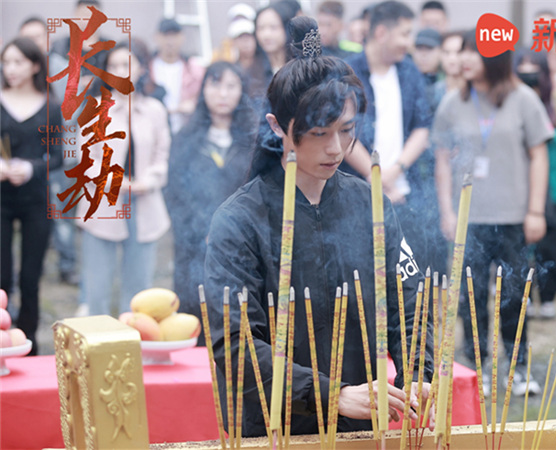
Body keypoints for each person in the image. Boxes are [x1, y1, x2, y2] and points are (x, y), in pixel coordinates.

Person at [204, 16, 432, 437]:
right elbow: (235, 347)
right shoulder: (238, 221)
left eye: (346, 131)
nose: (335, 148)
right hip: (275, 429)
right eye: (317, 133)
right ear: (278, 127)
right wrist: (332, 394)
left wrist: (418, 371)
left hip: (363, 428)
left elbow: (409, 302)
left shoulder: (369, 203)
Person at [433, 31, 554, 397]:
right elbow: (440, 157)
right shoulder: (454, 101)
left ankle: (517, 368)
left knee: (515, 293)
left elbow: (539, 156)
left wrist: (535, 210)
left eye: (474, 52)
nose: (464, 59)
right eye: (464, 51)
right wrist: (446, 210)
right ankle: (476, 367)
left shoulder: (524, 100)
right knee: (470, 298)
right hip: (469, 216)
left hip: (514, 215)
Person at [75, 41, 171, 316]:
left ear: (141, 68)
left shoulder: (155, 110)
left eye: (126, 65)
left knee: (139, 290)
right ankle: (96, 347)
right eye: (113, 66)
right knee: (97, 287)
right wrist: (116, 182)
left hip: (144, 202)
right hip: (102, 203)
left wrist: (149, 181)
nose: (119, 71)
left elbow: (161, 156)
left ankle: (135, 347)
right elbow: (88, 160)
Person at [164, 61, 258, 331]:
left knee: (238, 322)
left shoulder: (252, 142)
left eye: (232, 86)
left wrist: (230, 232)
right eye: (215, 85)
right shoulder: (186, 139)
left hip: (240, 248)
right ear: (203, 89)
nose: (223, 94)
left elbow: (257, 196)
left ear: (242, 91)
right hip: (194, 247)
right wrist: (201, 231)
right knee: (195, 318)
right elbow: (175, 194)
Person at [345, 1, 437, 273]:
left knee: (409, 274)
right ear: (382, 32)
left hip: (404, 193)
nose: (409, 43)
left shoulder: (409, 72)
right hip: (359, 193)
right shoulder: (347, 72)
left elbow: (422, 127)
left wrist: (395, 171)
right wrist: (376, 178)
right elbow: (342, 131)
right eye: (405, 34)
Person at [1, 38, 63, 355]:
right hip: (1, 197)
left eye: (18, 62)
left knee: (30, 276)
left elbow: (59, 157)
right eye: (6, 62)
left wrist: (31, 168)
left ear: (35, 65)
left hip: (37, 199)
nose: (10, 69)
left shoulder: (51, 106)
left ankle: (28, 343)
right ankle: (2, 340)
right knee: (1, 276)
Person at [514, 48, 556, 320]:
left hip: (552, 180)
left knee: (552, 241)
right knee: (520, 243)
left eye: (534, 67)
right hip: (519, 178)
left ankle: (549, 294)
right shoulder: (508, 98)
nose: (528, 73)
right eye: (523, 66)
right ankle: (525, 295)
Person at [19, 16, 79, 286]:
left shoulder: (62, 70)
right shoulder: (13, 73)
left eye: (35, 37)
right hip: (25, 157)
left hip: (59, 152)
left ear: (46, 40)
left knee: (63, 213)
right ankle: (33, 264)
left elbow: (73, 112)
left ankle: (67, 265)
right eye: (25, 38)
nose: (30, 44)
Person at [150, 18, 205, 134]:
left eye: (174, 35)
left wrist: (193, 104)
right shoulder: (146, 68)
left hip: (185, 131)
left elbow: (204, 97)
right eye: (165, 35)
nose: (170, 41)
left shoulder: (194, 69)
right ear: (156, 37)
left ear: (182, 37)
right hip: (152, 131)